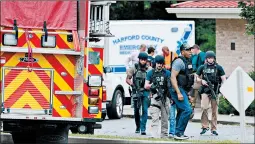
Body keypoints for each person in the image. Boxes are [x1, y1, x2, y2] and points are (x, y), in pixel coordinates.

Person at [195, 51, 226, 136]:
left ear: (214, 58)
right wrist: (201, 80)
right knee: (204, 107)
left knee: (214, 111)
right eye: (209, 58)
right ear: (206, 59)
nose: (210, 59)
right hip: (205, 90)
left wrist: (224, 91)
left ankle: (214, 129)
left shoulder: (219, 67)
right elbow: (196, 78)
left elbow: (224, 79)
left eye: (212, 58)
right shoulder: (202, 67)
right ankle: (205, 126)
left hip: (215, 91)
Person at [170, 43, 194, 140]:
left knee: (181, 110)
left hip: (182, 89)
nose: (190, 52)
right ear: (182, 51)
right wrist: (178, 92)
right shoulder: (179, 62)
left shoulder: (187, 61)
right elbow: (172, 77)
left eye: (190, 50)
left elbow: (187, 78)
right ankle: (179, 133)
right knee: (187, 110)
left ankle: (177, 133)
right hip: (176, 89)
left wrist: (187, 93)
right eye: (188, 50)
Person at [144, 55, 171, 138]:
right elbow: (146, 85)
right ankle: (154, 135)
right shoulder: (150, 73)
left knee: (165, 118)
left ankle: (164, 135)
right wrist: (152, 86)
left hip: (165, 97)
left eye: (161, 63)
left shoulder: (167, 73)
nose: (159, 65)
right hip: (155, 97)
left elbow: (170, 86)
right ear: (155, 63)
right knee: (154, 117)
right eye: (158, 63)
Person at [126, 52, 150, 135]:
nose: (143, 61)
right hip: (136, 91)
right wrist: (132, 85)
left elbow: (152, 80)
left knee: (145, 110)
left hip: (145, 92)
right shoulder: (134, 68)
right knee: (136, 110)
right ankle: (138, 126)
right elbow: (128, 79)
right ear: (139, 59)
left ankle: (143, 128)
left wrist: (150, 86)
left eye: (144, 60)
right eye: (141, 60)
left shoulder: (149, 69)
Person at [190, 44, 206, 109]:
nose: (192, 51)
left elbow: (205, 62)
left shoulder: (202, 54)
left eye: (192, 50)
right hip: (198, 74)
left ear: (196, 49)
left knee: (196, 89)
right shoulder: (197, 55)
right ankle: (194, 105)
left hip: (200, 75)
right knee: (196, 90)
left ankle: (193, 106)